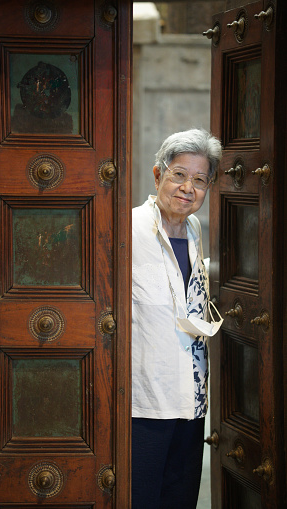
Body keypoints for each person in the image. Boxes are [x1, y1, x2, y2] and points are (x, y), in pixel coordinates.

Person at [132, 128, 223, 509]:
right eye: (179, 175)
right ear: (158, 176)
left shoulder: (194, 228)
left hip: (191, 397)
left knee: (180, 498)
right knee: (140, 498)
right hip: (145, 398)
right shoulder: (130, 228)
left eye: (200, 180)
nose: (188, 188)